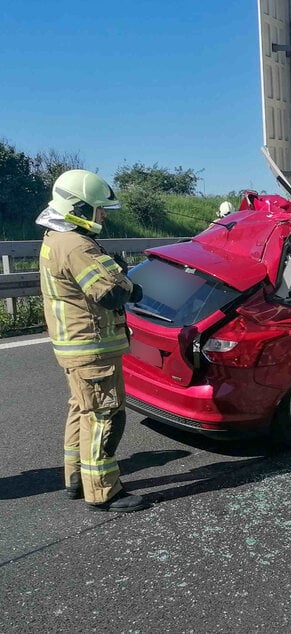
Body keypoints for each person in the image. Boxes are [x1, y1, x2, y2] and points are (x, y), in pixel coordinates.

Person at [35, 169, 149, 513]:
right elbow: (110, 292)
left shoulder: (54, 238)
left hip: (72, 346)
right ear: (79, 207)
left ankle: (75, 478)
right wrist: (127, 279)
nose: (101, 216)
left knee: (82, 409)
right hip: (92, 346)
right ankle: (103, 490)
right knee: (105, 416)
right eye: (98, 209)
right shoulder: (76, 244)